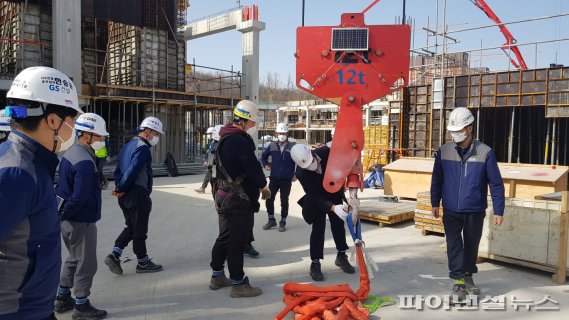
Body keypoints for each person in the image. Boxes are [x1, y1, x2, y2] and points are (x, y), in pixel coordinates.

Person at [0, 66, 81, 320]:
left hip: (34, 307)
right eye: (72, 120)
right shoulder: (17, 173)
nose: (74, 129)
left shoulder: (29, 162)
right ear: (53, 120)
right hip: (19, 312)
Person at [430, 107, 505, 302]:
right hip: (451, 210)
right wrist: (434, 202)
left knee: (471, 246)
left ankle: (468, 275)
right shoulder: (444, 151)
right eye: (453, 131)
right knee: (454, 245)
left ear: (470, 128)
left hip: (474, 209)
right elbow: (437, 179)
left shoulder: (485, 152)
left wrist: (499, 210)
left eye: (459, 130)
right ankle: (458, 283)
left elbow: (495, 183)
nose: (455, 134)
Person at [209, 100, 271, 298]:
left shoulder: (225, 137)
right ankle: (238, 283)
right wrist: (263, 185)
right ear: (244, 121)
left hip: (223, 195)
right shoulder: (240, 140)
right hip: (237, 199)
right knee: (236, 241)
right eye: (252, 123)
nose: (253, 126)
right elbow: (252, 167)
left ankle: (217, 275)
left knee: (224, 237)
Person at [54, 113, 109, 319]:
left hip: (68, 219)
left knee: (72, 258)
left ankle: (61, 298)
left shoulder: (71, 153)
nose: (101, 141)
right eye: (99, 137)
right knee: (86, 263)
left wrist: (63, 214)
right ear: (85, 135)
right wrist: (68, 212)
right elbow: (80, 196)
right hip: (80, 219)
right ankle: (81, 304)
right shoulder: (85, 161)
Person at [104, 117, 165, 275]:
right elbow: (133, 170)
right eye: (156, 133)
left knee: (131, 227)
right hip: (136, 193)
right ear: (147, 131)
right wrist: (123, 187)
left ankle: (115, 254)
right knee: (139, 230)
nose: (157, 137)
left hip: (125, 194)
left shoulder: (128, 145)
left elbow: (119, 170)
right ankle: (143, 262)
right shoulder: (142, 148)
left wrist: (119, 188)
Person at [291, 144, 355, 282]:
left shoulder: (325, 152)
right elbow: (313, 194)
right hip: (317, 201)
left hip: (333, 192)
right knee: (318, 229)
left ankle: (341, 256)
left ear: (312, 153)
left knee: (338, 225)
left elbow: (343, 150)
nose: (310, 167)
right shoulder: (301, 173)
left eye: (311, 162)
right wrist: (332, 208)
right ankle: (315, 263)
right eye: (307, 166)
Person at [261, 122, 296, 232]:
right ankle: (271, 220)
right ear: (276, 133)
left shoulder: (293, 146)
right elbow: (263, 157)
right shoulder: (271, 146)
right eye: (280, 132)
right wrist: (265, 164)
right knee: (268, 199)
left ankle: (283, 221)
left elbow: (301, 161)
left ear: (287, 133)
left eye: (284, 132)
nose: (282, 134)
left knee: (284, 201)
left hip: (286, 179)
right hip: (274, 178)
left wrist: (296, 175)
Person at [195, 126, 216, 193]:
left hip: (213, 162)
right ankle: (204, 188)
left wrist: (207, 161)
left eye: (210, 133)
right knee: (210, 175)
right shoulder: (212, 141)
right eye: (208, 134)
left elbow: (213, 153)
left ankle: (212, 189)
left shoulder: (215, 142)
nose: (209, 135)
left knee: (213, 177)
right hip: (212, 162)